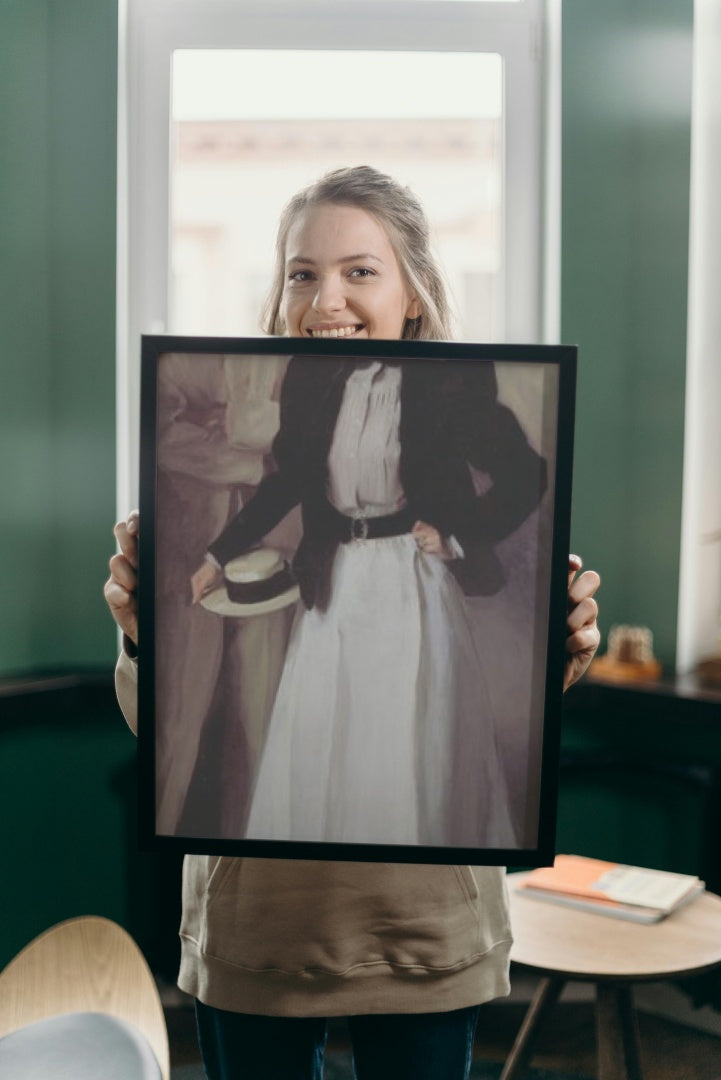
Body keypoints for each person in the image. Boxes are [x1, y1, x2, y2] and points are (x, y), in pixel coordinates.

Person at [105, 166, 601, 1080]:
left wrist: (537, 628)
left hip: (415, 624)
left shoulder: (458, 386)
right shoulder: (302, 386)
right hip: (259, 915)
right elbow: (291, 481)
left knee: (412, 755)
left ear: (413, 291)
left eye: (359, 272)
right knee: (315, 755)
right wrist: (194, 576)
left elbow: (524, 480)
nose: (324, 298)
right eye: (301, 273)